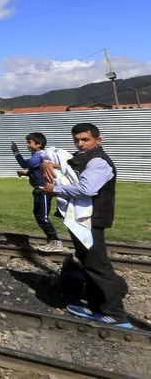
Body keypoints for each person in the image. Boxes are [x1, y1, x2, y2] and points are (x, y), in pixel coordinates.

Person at [41, 123, 131, 329]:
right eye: (77, 140)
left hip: (92, 219)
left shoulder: (99, 162)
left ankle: (116, 314)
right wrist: (47, 162)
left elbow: (86, 188)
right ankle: (96, 305)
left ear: (98, 140)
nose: (80, 144)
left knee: (98, 266)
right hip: (82, 220)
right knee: (88, 263)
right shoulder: (84, 157)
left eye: (85, 140)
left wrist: (54, 189)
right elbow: (61, 160)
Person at [11, 132, 63, 252]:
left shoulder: (39, 155)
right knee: (39, 215)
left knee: (42, 217)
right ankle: (53, 240)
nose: (27, 145)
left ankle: (55, 241)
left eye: (29, 142)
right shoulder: (38, 156)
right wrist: (27, 173)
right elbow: (38, 171)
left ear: (39, 144)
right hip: (40, 190)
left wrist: (15, 151)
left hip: (43, 190)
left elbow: (25, 164)